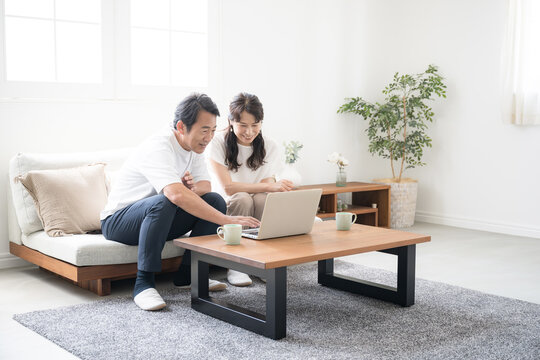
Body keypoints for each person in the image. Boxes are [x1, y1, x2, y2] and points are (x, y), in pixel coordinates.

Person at [100, 93, 260, 311]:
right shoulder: (159, 146)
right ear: (181, 126)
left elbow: (205, 186)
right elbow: (174, 196)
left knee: (214, 201)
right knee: (164, 201)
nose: (209, 137)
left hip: (159, 219)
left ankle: (188, 275)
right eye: (204, 130)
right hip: (118, 221)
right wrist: (226, 220)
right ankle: (143, 284)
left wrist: (189, 190)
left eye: (213, 130)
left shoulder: (194, 148)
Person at [208, 92, 293, 287]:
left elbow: (265, 186)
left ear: (261, 123)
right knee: (243, 198)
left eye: (255, 125)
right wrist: (269, 185)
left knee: (264, 199)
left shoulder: (270, 146)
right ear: (231, 122)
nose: (249, 132)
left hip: (255, 200)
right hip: (228, 203)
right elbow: (228, 188)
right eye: (243, 125)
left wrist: (276, 188)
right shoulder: (217, 142)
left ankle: (263, 260)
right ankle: (236, 264)